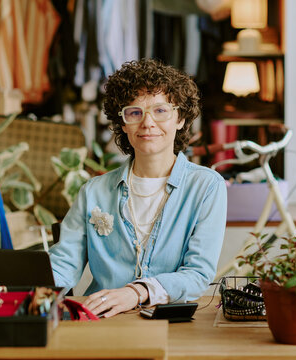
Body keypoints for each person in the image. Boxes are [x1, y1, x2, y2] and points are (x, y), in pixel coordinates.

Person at [49, 58, 227, 317]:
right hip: (101, 321)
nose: (148, 123)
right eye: (135, 112)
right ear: (123, 123)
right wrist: (23, 292)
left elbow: (198, 274)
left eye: (160, 110)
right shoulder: (93, 191)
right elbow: (64, 264)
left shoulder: (206, 186)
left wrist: (135, 292)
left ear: (180, 118)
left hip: (169, 323)